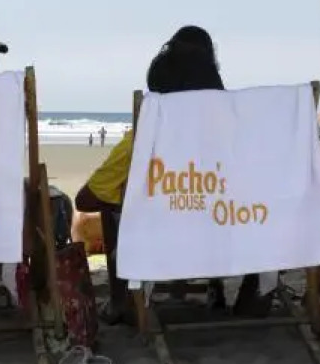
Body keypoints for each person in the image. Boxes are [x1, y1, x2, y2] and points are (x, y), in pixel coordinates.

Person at [75, 25, 271, 324]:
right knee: (248, 200)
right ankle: (250, 296)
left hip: (166, 247)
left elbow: (85, 200)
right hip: (238, 243)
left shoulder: (146, 136)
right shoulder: (247, 131)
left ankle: (120, 303)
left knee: (114, 206)